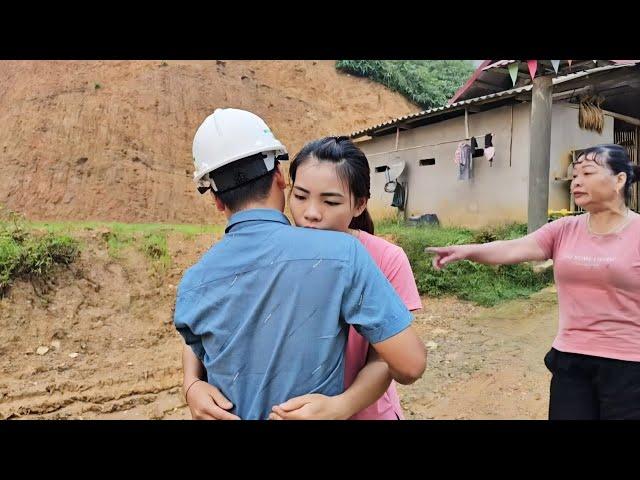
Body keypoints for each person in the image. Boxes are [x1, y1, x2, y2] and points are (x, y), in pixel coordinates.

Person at [175, 109, 426, 420]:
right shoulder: (335, 254)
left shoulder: (377, 257)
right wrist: (191, 383)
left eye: (330, 201)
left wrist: (342, 406)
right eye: (302, 196)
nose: (311, 213)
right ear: (282, 180)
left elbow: (396, 361)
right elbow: (205, 332)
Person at [427, 144, 640, 420]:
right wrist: (466, 250)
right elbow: (513, 249)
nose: (577, 181)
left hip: (629, 364)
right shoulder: (564, 229)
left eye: (587, 172)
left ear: (619, 180)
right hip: (570, 360)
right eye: (575, 175)